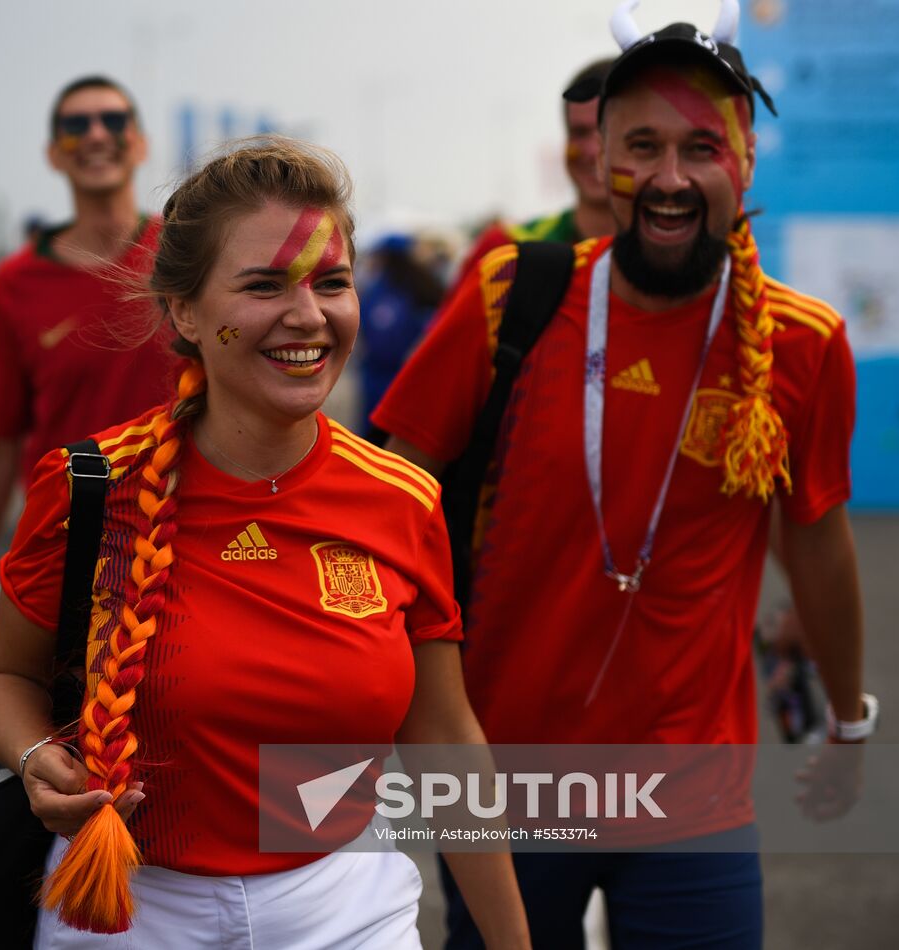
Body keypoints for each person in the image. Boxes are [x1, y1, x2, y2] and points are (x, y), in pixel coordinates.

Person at [374, 5, 871, 945]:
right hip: (503, 780)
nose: (672, 178)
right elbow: (395, 495)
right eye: (643, 144)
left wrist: (847, 723)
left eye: (701, 148)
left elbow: (818, 546)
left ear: (746, 164)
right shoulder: (510, 293)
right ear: (601, 162)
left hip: (693, 800)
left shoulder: (805, 346)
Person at [0, 137, 531, 948]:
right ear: (185, 311)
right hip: (126, 910)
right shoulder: (88, 486)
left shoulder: (403, 499)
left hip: (349, 908)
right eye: (265, 285)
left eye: (331, 282)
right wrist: (33, 762)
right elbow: (7, 678)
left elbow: (444, 737)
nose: (308, 317)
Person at [0, 75, 177, 660]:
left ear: (141, 144)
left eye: (114, 120)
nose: (96, 134)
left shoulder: (186, 258)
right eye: (75, 125)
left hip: (183, 539)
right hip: (68, 556)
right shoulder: (16, 282)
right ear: (54, 154)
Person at [441, 57, 616, 310]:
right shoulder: (506, 249)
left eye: (606, 132)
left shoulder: (674, 257)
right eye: (579, 133)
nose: (592, 150)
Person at [355, 233, 445, 441]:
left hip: (380, 376)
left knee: (373, 438)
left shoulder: (380, 289)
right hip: (408, 379)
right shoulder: (427, 288)